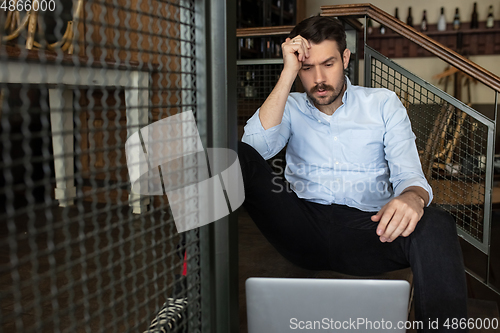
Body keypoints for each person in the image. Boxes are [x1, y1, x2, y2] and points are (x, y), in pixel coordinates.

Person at [239, 16, 468, 332]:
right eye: (307, 68)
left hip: (371, 230)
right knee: (233, 156)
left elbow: (410, 175)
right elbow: (252, 150)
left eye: (329, 64)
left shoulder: (382, 104)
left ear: (345, 59)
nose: (319, 78)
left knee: (437, 224)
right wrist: (288, 72)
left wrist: (413, 197)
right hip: (301, 226)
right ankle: (187, 291)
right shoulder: (288, 106)